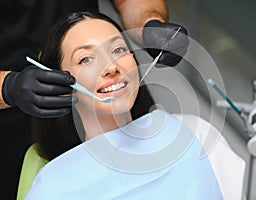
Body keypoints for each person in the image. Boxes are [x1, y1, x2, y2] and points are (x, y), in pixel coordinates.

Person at [0, 1, 189, 199]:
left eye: (118, 49)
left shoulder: (188, 137)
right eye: (86, 59)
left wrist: (150, 23)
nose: (111, 67)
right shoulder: (51, 191)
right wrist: (8, 87)